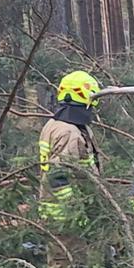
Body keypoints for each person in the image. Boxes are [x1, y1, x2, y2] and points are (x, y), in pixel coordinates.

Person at [38, 71, 102, 227]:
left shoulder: (54, 124)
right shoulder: (69, 132)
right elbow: (57, 176)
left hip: (57, 212)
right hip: (67, 219)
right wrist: (75, 209)